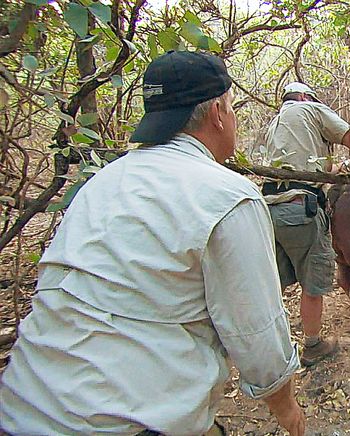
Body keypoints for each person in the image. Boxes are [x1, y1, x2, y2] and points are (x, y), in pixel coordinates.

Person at [0, 51, 304, 435]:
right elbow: (257, 335)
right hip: (125, 424)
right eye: (231, 107)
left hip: (20, 406)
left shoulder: (103, 182)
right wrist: (287, 408)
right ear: (217, 114)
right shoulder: (228, 196)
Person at [263, 82, 350, 366]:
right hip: (302, 211)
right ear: (303, 98)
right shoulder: (310, 109)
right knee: (312, 284)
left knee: (277, 282)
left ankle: (269, 346)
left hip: (270, 210)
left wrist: (344, 167)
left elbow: (311, 173)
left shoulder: (276, 125)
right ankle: (313, 345)